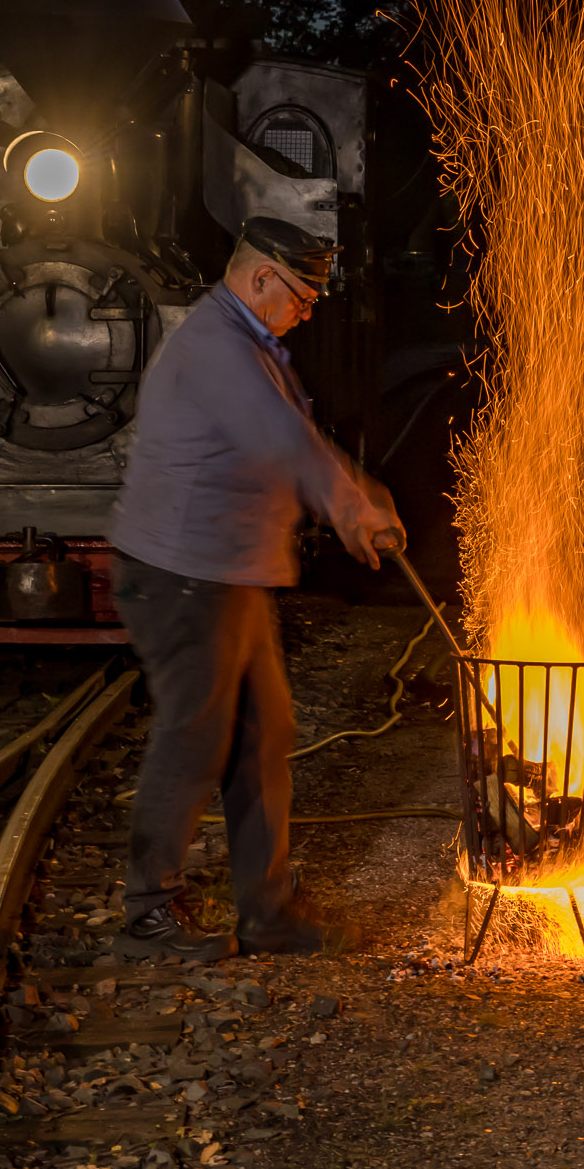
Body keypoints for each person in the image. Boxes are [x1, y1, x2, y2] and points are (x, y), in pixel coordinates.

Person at [106, 215, 407, 960]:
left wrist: (351, 499)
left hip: (225, 572)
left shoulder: (252, 343)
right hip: (183, 573)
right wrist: (352, 504)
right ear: (260, 277)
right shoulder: (216, 346)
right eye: (303, 294)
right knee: (196, 737)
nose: (308, 309)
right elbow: (281, 438)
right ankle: (147, 914)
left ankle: (267, 911)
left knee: (263, 735)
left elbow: (283, 439)